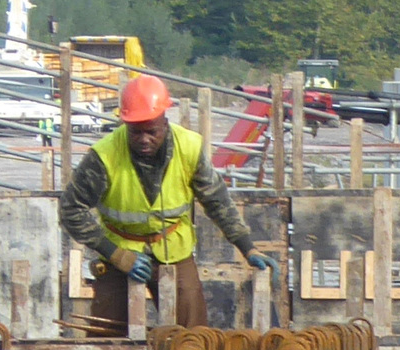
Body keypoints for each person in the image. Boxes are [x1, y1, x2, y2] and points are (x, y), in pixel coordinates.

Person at [58, 75, 273, 334]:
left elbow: (217, 200)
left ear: (164, 121)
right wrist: (115, 254)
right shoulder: (103, 156)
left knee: (193, 337)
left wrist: (247, 248)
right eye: (136, 132)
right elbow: (71, 209)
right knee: (106, 337)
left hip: (173, 252)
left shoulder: (189, 148)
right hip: (119, 253)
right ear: (125, 124)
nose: (144, 139)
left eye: (152, 131)